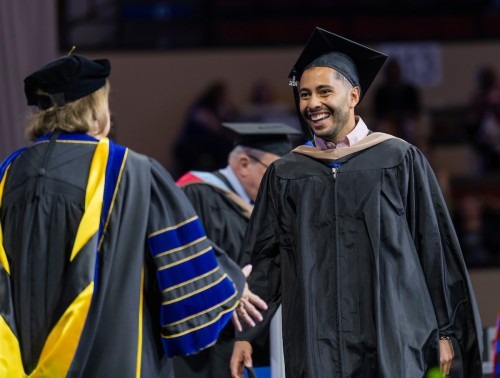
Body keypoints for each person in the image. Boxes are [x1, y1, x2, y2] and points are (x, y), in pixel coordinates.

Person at [230, 27, 483, 378]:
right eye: (304, 94)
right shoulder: (288, 173)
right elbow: (267, 259)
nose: (312, 104)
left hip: (390, 333)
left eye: (323, 91)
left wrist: (444, 330)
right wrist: (246, 336)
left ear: (353, 96)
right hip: (314, 339)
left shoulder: (399, 159)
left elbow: (432, 247)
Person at [0, 54, 246, 377]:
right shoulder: (131, 172)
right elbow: (182, 260)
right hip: (110, 356)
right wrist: (234, 280)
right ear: (94, 108)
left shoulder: (9, 173)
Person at [175, 122, 302, 378]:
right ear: (244, 164)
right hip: (206, 348)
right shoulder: (196, 194)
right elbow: (188, 262)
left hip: (251, 343)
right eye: (276, 170)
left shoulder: (265, 210)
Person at [174, 80, 238, 178]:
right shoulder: (201, 109)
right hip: (191, 147)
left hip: (205, 146)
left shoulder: (216, 108)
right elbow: (216, 128)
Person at [371, 58, 423, 148]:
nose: (394, 74)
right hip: (387, 120)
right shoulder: (381, 91)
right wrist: (390, 116)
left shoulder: (409, 89)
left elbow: (416, 109)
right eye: (391, 71)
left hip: (406, 119)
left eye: (396, 71)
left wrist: (404, 115)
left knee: (409, 127)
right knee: (380, 128)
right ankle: (377, 150)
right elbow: (377, 110)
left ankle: (413, 151)